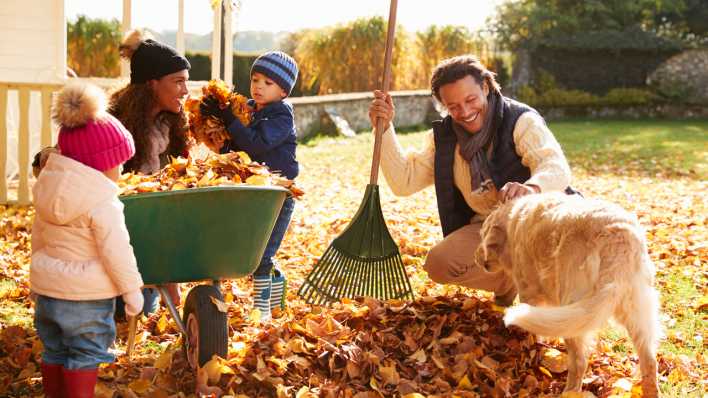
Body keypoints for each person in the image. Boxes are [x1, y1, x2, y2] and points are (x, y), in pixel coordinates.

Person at [368, 55, 575, 306]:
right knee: (439, 264)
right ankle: (508, 282)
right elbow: (404, 182)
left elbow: (555, 167)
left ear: (485, 87)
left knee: (553, 275)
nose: (464, 112)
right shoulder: (444, 139)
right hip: (488, 226)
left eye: (470, 99)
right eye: (453, 106)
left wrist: (531, 187)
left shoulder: (519, 120)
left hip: (538, 222)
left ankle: (543, 281)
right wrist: (385, 128)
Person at [31, 82, 144, 397]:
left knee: (54, 350)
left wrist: (36, 280)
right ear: (102, 164)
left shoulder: (46, 187)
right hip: (86, 298)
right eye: (119, 163)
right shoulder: (102, 201)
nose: (121, 170)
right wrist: (132, 292)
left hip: (49, 293)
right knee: (84, 354)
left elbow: (38, 237)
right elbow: (117, 252)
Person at [200, 51, 299, 322]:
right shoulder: (251, 110)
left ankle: (262, 308)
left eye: (268, 83)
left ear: (283, 91)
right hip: (255, 192)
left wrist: (230, 120)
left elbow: (257, 144)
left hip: (279, 194)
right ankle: (276, 290)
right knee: (256, 247)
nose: (258, 86)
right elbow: (242, 149)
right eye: (255, 79)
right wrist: (222, 131)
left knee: (263, 252)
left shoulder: (281, 116)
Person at [109, 30, 191, 315]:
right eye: (178, 81)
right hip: (118, 226)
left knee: (144, 308)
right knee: (126, 309)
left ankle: (162, 280)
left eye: (186, 81)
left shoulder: (171, 124)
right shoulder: (114, 122)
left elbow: (182, 171)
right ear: (152, 83)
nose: (185, 90)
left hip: (158, 222)